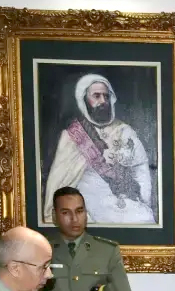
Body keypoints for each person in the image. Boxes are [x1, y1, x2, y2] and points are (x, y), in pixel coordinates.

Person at [43, 74, 157, 224]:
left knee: (145, 218)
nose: (103, 101)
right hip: (89, 203)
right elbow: (59, 183)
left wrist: (143, 199)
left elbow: (141, 169)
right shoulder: (73, 135)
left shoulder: (124, 131)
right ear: (84, 100)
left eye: (106, 96)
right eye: (96, 96)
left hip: (125, 200)